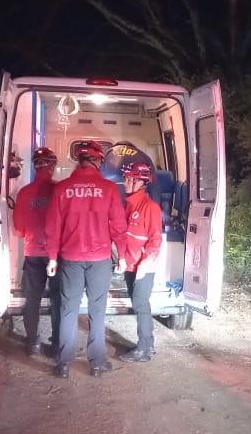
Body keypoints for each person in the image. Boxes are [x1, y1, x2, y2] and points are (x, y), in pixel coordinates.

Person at [45, 140, 128, 378]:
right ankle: (97, 363)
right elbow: (118, 227)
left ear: (79, 161)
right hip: (100, 260)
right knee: (97, 311)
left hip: (70, 259)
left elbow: (52, 227)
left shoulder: (62, 189)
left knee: (68, 310)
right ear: (98, 160)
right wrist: (121, 255)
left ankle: (63, 364)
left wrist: (52, 258)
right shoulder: (109, 189)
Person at [12, 147, 61, 357]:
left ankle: (33, 344)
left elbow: (19, 231)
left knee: (32, 300)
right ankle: (58, 345)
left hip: (33, 254)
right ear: (53, 166)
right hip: (56, 256)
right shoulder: (60, 190)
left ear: (35, 166)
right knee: (59, 299)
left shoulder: (24, 193)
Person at [119, 162, 163, 363]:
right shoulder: (129, 205)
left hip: (142, 268)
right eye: (126, 178)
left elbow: (155, 240)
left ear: (141, 183)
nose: (125, 182)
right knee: (137, 304)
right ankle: (145, 345)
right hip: (130, 265)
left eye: (130, 180)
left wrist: (144, 266)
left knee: (140, 304)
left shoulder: (150, 207)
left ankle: (145, 348)